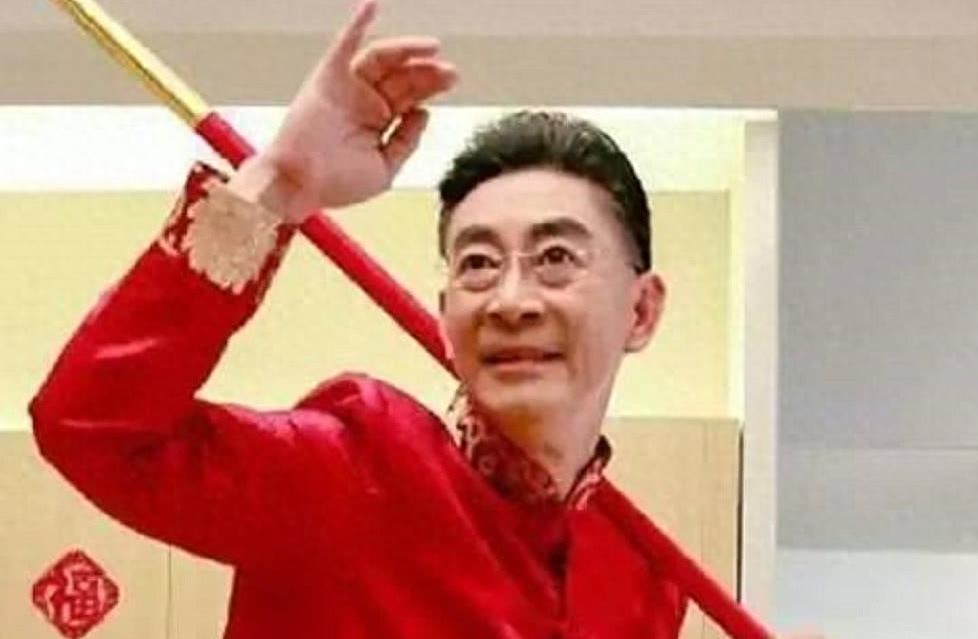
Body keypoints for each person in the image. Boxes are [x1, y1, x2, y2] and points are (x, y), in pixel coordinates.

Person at [30, 2, 801, 637]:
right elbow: (93, 427)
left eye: (555, 258)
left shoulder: (640, 576)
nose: (510, 299)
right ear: (445, 313)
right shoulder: (348, 474)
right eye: (478, 263)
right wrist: (279, 183)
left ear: (642, 309)